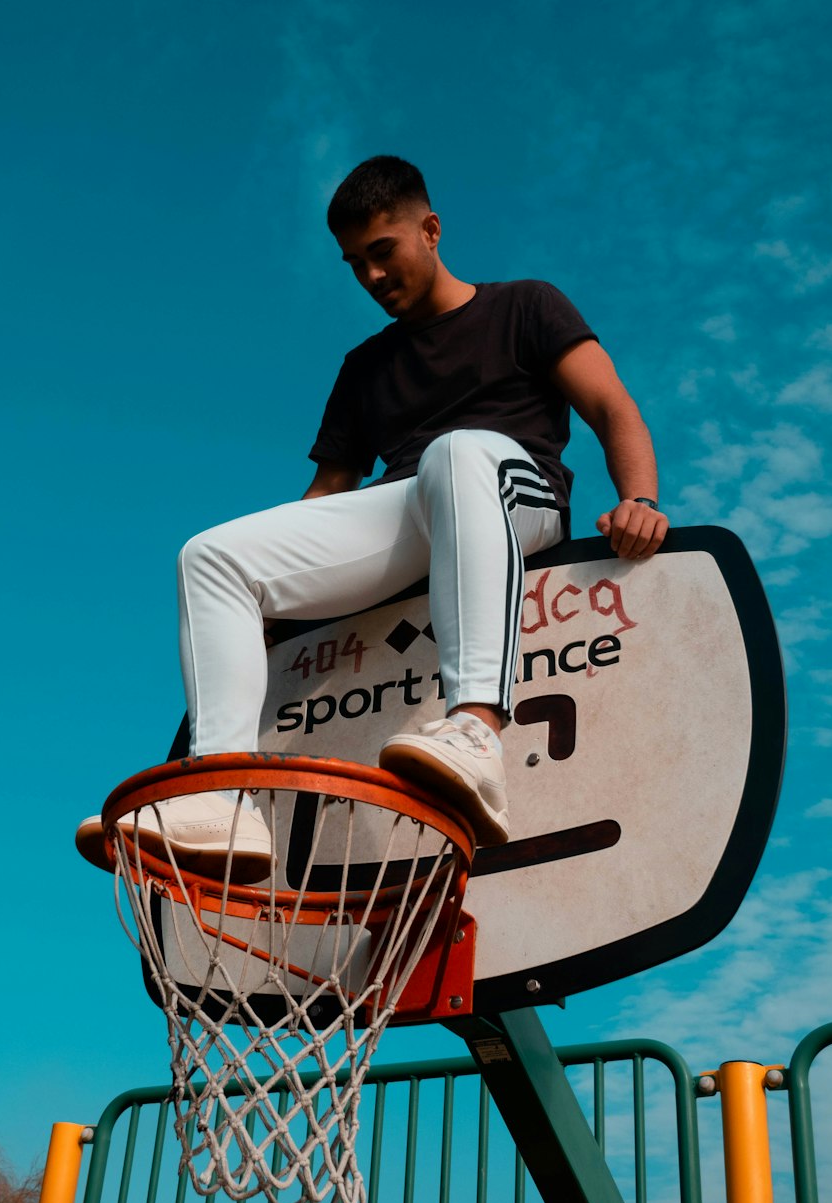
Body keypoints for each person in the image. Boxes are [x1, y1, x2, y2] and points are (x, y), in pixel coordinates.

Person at [78, 156, 668, 877]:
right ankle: (225, 799)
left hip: (516, 500)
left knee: (456, 455)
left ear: (431, 229)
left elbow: (612, 407)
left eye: (382, 252)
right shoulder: (364, 366)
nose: (371, 277)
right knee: (210, 556)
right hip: (418, 513)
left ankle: (477, 730)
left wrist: (638, 500)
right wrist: (279, 598)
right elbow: (329, 491)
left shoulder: (526, 305)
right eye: (354, 264)